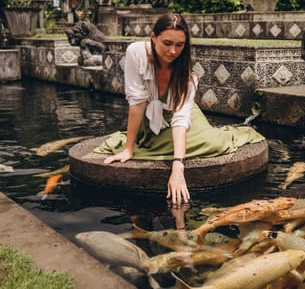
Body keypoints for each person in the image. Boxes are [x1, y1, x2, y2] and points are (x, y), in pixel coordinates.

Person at [97, 13, 265, 206]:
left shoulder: (188, 77)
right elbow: (136, 103)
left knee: (214, 144)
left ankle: (231, 133)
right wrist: (128, 148)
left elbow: (181, 119)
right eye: (167, 43)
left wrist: (178, 167)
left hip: (181, 112)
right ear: (153, 37)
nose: (173, 51)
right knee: (149, 145)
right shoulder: (136, 52)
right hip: (149, 113)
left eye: (179, 45)